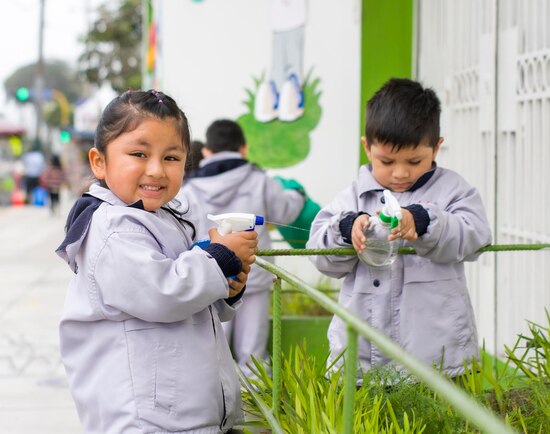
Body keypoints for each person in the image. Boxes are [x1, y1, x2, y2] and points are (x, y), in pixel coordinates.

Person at [55, 90, 258, 434]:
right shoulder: (111, 228)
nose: (156, 170)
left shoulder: (162, 218)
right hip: (145, 419)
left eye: (171, 158)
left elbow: (193, 303)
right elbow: (163, 293)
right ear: (99, 162)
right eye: (138, 153)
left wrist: (227, 286)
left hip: (179, 413)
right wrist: (218, 257)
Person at [306, 78, 492, 378]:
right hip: (361, 356)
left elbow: (476, 235)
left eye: (415, 160)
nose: (401, 172)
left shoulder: (453, 191)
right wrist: (346, 229)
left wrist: (423, 221)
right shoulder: (352, 197)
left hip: (436, 355)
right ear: (368, 148)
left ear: (436, 147)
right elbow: (318, 253)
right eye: (387, 161)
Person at [180, 119, 306, 377]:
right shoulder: (259, 180)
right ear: (244, 149)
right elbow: (286, 210)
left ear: (206, 151)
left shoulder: (189, 188)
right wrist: (297, 193)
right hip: (254, 276)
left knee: (213, 351)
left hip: (211, 277)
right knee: (253, 356)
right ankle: (256, 412)